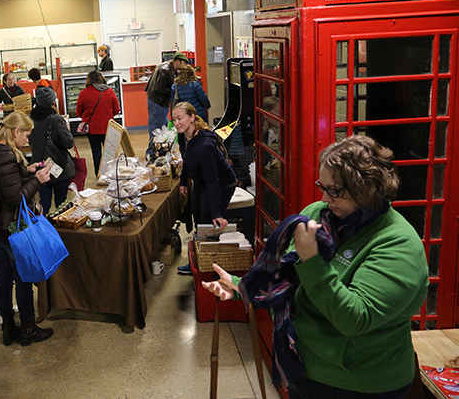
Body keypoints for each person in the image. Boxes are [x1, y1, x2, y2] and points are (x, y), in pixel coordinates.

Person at [202, 135, 428, 399]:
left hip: (361, 384)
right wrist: (242, 286)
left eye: (334, 190)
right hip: (302, 367)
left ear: (366, 189)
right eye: (323, 185)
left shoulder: (397, 243)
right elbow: (285, 277)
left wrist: (312, 261)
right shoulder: (318, 215)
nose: (324, 197)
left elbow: (354, 318)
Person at [0, 111, 54, 346]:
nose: (27, 140)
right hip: (10, 228)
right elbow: (15, 197)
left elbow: (2, 181)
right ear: (15, 131)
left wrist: (26, 171)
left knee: (5, 278)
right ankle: (28, 328)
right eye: (26, 135)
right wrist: (37, 179)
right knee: (24, 277)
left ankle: (8, 327)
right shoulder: (6, 157)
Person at [172, 102, 238, 275]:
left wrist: (217, 213)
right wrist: (183, 181)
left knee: (208, 222)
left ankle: (211, 267)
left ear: (192, 117)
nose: (176, 123)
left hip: (222, 184)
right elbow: (186, 159)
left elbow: (212, 181)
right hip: (201, 181)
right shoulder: (183, 136)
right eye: (174, 119)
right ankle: (199, 262)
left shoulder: (205, 145)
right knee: (199, 220)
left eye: (180, 118)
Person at [30, 86, 76, 215]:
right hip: (58, 167)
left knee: (43, 204)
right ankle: (59, 230)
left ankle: (43, 230)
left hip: (39, 166)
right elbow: (69, 143)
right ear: (52, 102)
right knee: (61, 203)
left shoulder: (31, 118)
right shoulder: (55, 119)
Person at [74, 70, 120, 175]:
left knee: (96, 152)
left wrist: (87, 117)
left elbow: (78, 111)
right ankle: (111, 174)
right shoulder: (110, 91)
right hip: (108, 127)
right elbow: (116, 109)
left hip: (92, 128)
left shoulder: (83, 93)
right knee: (109, 153)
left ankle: (99, 175)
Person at [145, 52, 188, 157]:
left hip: (156, 101)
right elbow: (159, 88)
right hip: (157, 102)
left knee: (162, 128)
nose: (184, 66)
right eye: (183, 63)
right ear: (177, 61)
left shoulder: (166, 67)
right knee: (156, 129)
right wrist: (174, 90)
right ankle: (152, 153)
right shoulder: (165, 70)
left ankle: (161, 151)